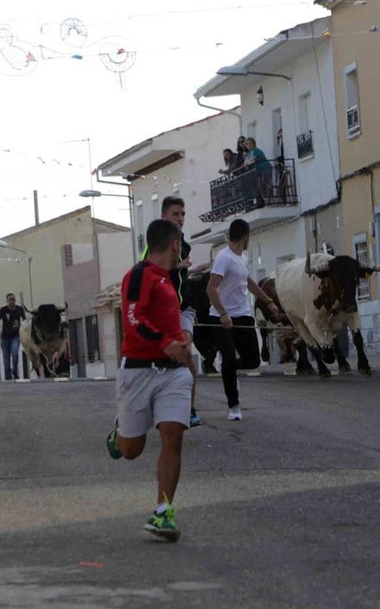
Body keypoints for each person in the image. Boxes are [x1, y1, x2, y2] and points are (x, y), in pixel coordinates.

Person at [106, 217, 194, 542]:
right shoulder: (139, 275)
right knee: (131, 450)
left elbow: (170, 321)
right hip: (138, 371)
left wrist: (181, 341)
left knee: (173, 436)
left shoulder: (170, 279)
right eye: (180, 245)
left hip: (173, 374)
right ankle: (119, 435)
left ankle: (164, 512)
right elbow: (132, 319)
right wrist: (164, 342)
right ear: (173, 244)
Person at [145, 196, 211, 427]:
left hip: (183, 308)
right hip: (161, 311)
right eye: (176, 214)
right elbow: (149, 271)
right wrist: (176, 266)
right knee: (160, 360)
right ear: (164, 216)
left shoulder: (185, 245)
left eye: (183, 214)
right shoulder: (154, 245)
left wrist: (193, 271)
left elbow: (179, 278)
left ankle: (190, 410)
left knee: (184, 350)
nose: (181, 218)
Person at [205, 218, 279, 421]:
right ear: (245, 237)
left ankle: (229, 370)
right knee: (228, 357)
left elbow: (248, 282)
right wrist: (223, 313)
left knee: (254, 360)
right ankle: (233, 406)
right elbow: (210, 289)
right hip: (221, 319)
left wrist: (268, 300)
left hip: (243, 316)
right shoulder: (224, 258)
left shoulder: (242, 258)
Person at [0, 294, 26, 380]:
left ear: (15, 300)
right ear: (7, 301)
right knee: (6, 360)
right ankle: (8, 378)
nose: (12, 301)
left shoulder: (19, 309)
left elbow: (25, 322)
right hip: (5, 338)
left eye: (13, 299)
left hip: (16, 336)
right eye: (10, 299)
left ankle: (15, 371)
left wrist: (24, 333)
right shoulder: (3, 310)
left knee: (15, 353)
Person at [243, 137, 272, 204]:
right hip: (259, 171)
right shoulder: (250, 152)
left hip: (265, 168)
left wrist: (246, 163)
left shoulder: (256, 151)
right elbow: (246, 162)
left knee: (267, 184)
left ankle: (270, 200)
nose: (249, 146)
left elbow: (251, 161)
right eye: (247, 144)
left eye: (250, 144)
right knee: (260, 186)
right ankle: (265, 200)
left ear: (254, 144)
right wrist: (245, 163)